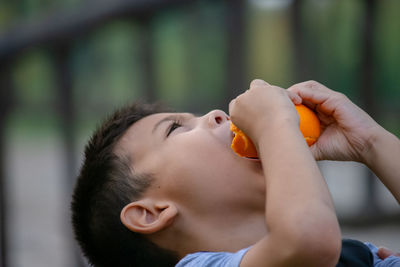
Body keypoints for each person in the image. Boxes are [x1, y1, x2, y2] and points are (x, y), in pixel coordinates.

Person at [71, 79, 400, 267]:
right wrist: (274, 124)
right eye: (174, 128)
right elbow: (307, 240)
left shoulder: (357, 256)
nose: (216, 113)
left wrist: (369, 142)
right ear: (150, 213)